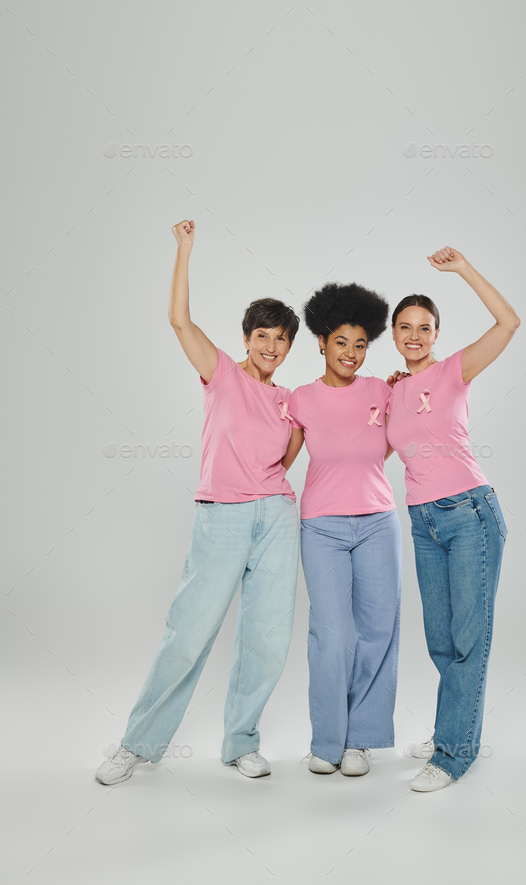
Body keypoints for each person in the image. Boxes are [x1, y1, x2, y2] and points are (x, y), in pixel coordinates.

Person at [95, 219, 301, 785]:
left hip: (279, 517)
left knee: (267, 636)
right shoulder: (222, 373)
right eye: (263, 334)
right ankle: (137, 745)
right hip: (224, 515)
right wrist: (185, 249)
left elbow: (290, 457)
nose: (272, 345)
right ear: (247, 338)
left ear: (288, 347)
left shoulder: (289, 399)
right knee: (188, 633)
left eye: (282, 338)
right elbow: (179, 320)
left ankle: (241, 742)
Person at [386, 246, 520, 792]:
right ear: (393, 333)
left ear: (437, 334)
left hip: (470, 516)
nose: (414, 336)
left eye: (424, 327)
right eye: (404, 327)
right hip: (423, 523)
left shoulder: (454, 370)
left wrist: (463, 269)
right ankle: (456, 727)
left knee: (468, 641)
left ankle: (452, 754)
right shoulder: (393, 389)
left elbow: (509, 322)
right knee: (440, 641)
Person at [282, 282, 403, 777]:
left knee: (378, 631)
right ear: (321, 342)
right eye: (341, 343)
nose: (351, 354)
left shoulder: (382, 391)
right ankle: (327, 741)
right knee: (331, 635)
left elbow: (390, 444)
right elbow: (281, 462)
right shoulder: (301, 399)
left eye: (360, 345)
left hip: (378, 522)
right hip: (323, 527)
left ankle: (360, 739)